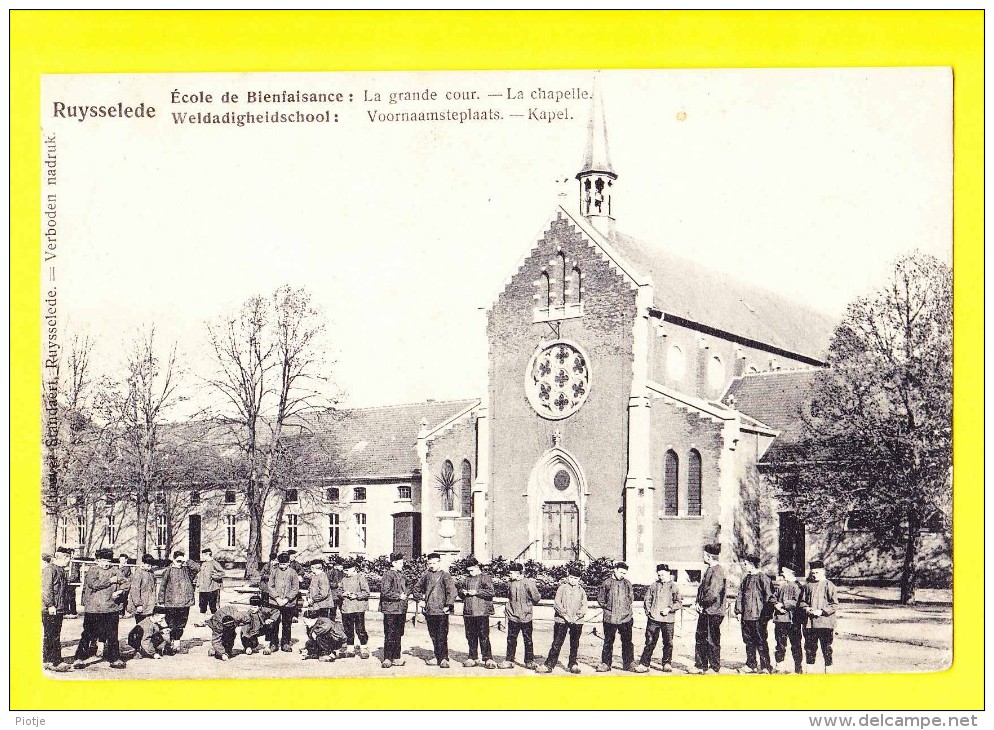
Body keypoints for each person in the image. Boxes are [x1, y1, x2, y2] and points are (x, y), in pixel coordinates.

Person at [73, 548, 129, 669]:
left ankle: (114, 658)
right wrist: (110, 581)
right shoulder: (92, 570)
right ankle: (79, 658)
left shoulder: (115, 570)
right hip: (94, 609)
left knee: (113, 635)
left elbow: (126, 583)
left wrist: (119, 591)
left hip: (111, 608)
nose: (106, 564)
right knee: (88, 634)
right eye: (103, 560)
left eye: (108, 561)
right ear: (97, 560)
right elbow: (94, 585)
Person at [535, 566, 586, 674]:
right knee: (557, 643)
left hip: (577, 621)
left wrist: (577, 617)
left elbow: (584, 606)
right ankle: (549, 665)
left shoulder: (582, 591)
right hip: (562, 620)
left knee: (574, 643)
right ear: (568, 577)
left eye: (576, 578)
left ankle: (573, 664)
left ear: (579, 579)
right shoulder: (562, 588)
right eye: (571, 577)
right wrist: (565, 616)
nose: (573, 580)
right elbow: (557, 603)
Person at [413, 552, 457, 668]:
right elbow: (416, 588)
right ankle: (437, 656)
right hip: (429, 610)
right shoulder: (426, 575)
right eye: (430, 563)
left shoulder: (445, 575)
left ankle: (444, 658)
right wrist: (420, 600)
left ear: (439, 562)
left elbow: (452, 591)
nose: (432, 565)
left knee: (442, 635)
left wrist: (448, 605)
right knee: (433, 635)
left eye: (434, 563)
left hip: (442, 611)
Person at [691, 542, 728, 674]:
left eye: (704, 555)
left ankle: (714, 667)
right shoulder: (709, 570)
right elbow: (702, 590)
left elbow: (712, 593)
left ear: (708, 556)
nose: (703, 557)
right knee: (700, 638)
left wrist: (701, 604)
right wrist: (698, 603)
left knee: (712, 640)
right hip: (705, 611)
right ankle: (700, 665)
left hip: (713, 612)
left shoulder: (717, 571)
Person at [734, 555, 775, 674]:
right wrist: (738, 611)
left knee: (761, 641)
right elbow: (740, 595)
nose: (744, 566)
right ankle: (751, 664)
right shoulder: (746, 579)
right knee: (748, 641)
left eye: (746, 564)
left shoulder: (764, 578)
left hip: (758, 617)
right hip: (746, 617)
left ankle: (765, 667)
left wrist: (765, 617)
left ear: (752, 564)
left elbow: (770, 598)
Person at [498, 561, 541, 669]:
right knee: (511, 639)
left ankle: (529, 661)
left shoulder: (528, 583)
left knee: (528, 640)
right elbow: (509, 596)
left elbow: (536, 597)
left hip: (526, 617)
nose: (510, 575)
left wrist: (527, 606)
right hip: (513, 616)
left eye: (511, 573)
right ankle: (509, 660)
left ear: (518, 573)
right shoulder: (510, 583)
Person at [637, 563, 680, 672]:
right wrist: (649, 613)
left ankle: (666, 663)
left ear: (669, 574)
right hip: (654, 620)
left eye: (663, 575)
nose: (661, 577)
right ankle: (644, 664)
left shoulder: (673, 587)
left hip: (668, 620)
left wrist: (669, 608)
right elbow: (647, 600)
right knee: (650, 642)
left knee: (668, 643)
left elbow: (679, 602)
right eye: (659, 575)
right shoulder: (653, 586)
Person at [596, 560, 638, 672]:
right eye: (621, 572)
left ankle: (628, 664)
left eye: (624, 573)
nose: (622, 575)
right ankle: (606, 664)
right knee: (608, 641)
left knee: (627, 642)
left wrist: (625, 610)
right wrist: (608, 608)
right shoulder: (607, 583)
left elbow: (630, 598)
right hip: (610, 618)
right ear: (615, 570)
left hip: (625, 618)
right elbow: (600, 598)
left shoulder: (627, 583)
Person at [799, 559, 838, 673]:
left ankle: (828, 670)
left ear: (823, 572)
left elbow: (834, 604)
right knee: (810, 648)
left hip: (825, 623)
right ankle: (810, 671)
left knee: (826, 647)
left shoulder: (829, 585)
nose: (814, 575)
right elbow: (802, 601)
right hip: (810, 624)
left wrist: (821, 612)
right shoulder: (807, 586)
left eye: (817, 573)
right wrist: (807, 608)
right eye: (813, 573)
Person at [157, 550, 200, 654]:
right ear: (173, 560)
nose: (180, 563)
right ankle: (169, 644)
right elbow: (162, 586)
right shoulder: (168, 570)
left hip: (185, 603)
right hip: (171, 603)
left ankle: (177, 644)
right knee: (171, 624)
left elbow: (197, 568)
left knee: (181, 624)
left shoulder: (186, 570)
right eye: (178, 561)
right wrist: (161, 600)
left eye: (181, 561)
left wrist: (187, 561)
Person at [459, 557, 496, 669]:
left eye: (472, 570)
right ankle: (472, 657)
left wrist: (476, 592)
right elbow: (460, 591)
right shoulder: (466, 579)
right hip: (468, 612)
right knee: (470, 636)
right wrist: (463, 592)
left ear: (478, 568)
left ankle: (488, 658)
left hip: (482, 612)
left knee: (483, 635)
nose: (470, 573)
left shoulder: (485, 578)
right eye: (468, 571)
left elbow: (491, 592)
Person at [42, 549, 72, 671]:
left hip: (58, 608)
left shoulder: (60, 571)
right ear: (63, 557)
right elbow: (46, 589)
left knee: (52, 634)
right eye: (68, 557)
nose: (69, 560)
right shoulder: (50, 570)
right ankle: (55, 661)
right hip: (50, 609)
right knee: (53, 635)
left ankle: (48, 660)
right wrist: (50, 605)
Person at [379, 552, 409, 668]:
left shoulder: (400, 574)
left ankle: (396, 657)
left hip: (400, 609)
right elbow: (385, 592)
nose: (402, 565)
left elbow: (407, 586)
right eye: (400, 563)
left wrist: (407, 592)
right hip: (390, 610)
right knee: (390, 633)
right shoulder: (388, 575)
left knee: (398, 634)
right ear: (394, 563)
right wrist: (398, 596)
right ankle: (387, 658)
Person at [772, 564, 804, 674]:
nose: (782, 574)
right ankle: (779, 666)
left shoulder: (798, 586)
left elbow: (797, 602)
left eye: (784, 572)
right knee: (780, 644)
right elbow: (774, 597)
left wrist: (783, 605)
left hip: (793, 621)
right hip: (780, 619)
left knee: (795, 645)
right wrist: (776, 605)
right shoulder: (781, 585)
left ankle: (798, 669)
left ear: (791, 572)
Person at [268, 551, 301, 652]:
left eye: (284, 564)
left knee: (287, 624)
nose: (282, 566)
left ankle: (285, 643)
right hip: (275, 602)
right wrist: (277, 598)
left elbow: (295, 588)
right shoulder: (274, 571)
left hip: (288, 603)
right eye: (281, 564)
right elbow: (270, 586)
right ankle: (273, 644)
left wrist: (287, 599)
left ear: (288, 563)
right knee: (274, 623)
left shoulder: (293, 573)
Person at [339, 559, 371, 658]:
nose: (345, 572)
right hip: (346, 608)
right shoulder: (344, 579)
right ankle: (350, 648)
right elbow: (339, 591)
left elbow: (366, 593)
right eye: (344, 570)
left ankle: (364, 648)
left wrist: (356, 595)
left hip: (358, 608)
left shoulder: (360, 578)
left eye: (347, 570)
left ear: (353, 569)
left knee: (360, 629)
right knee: (348, 629)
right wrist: (343, 594)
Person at [127, 554, 158, 624]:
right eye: (148, 566)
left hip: (149, 604)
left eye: (151, 566)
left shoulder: (151, 573)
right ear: (143, 563)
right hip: (141, 605)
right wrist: (138, 604)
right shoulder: (139, 573)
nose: (150, 568)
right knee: (141, 625)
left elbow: (153, 587)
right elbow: (135, 590)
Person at [196, 548, 225, 616]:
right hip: (203, 589)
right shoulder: (203, 564)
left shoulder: (214, 563)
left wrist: (213, 576)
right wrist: (198, 584)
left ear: (208, 554)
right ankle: (202, 620)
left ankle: (215, 620)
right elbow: (200, 574)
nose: (202, 557)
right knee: (202, 606)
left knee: (213, 606)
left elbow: (222, 573)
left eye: (203, 555)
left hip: (212, 589)